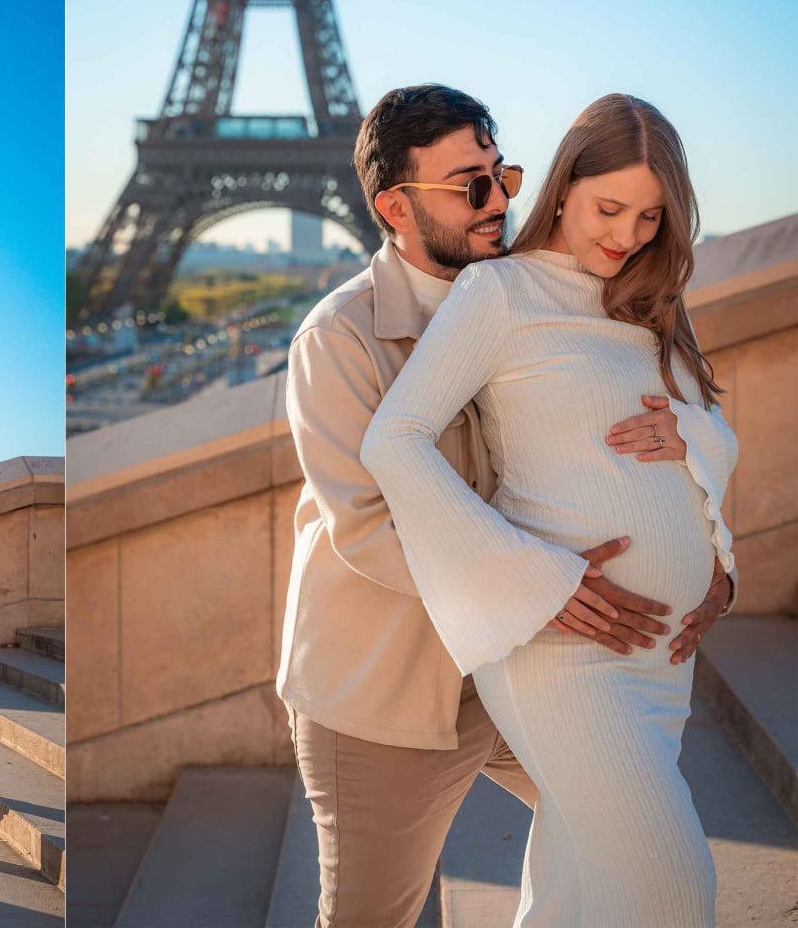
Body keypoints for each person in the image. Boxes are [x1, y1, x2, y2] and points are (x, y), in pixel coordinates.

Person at [277, 85, 732, 928]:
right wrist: (543, 585)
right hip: (394, 690)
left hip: (535, 655)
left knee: (598, 870)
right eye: (471, 187)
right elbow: (366, 523)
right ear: (395, 205)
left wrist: (709, 548)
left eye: (503, 174)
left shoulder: (534, 293)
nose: (500, 201)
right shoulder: (337, 339)